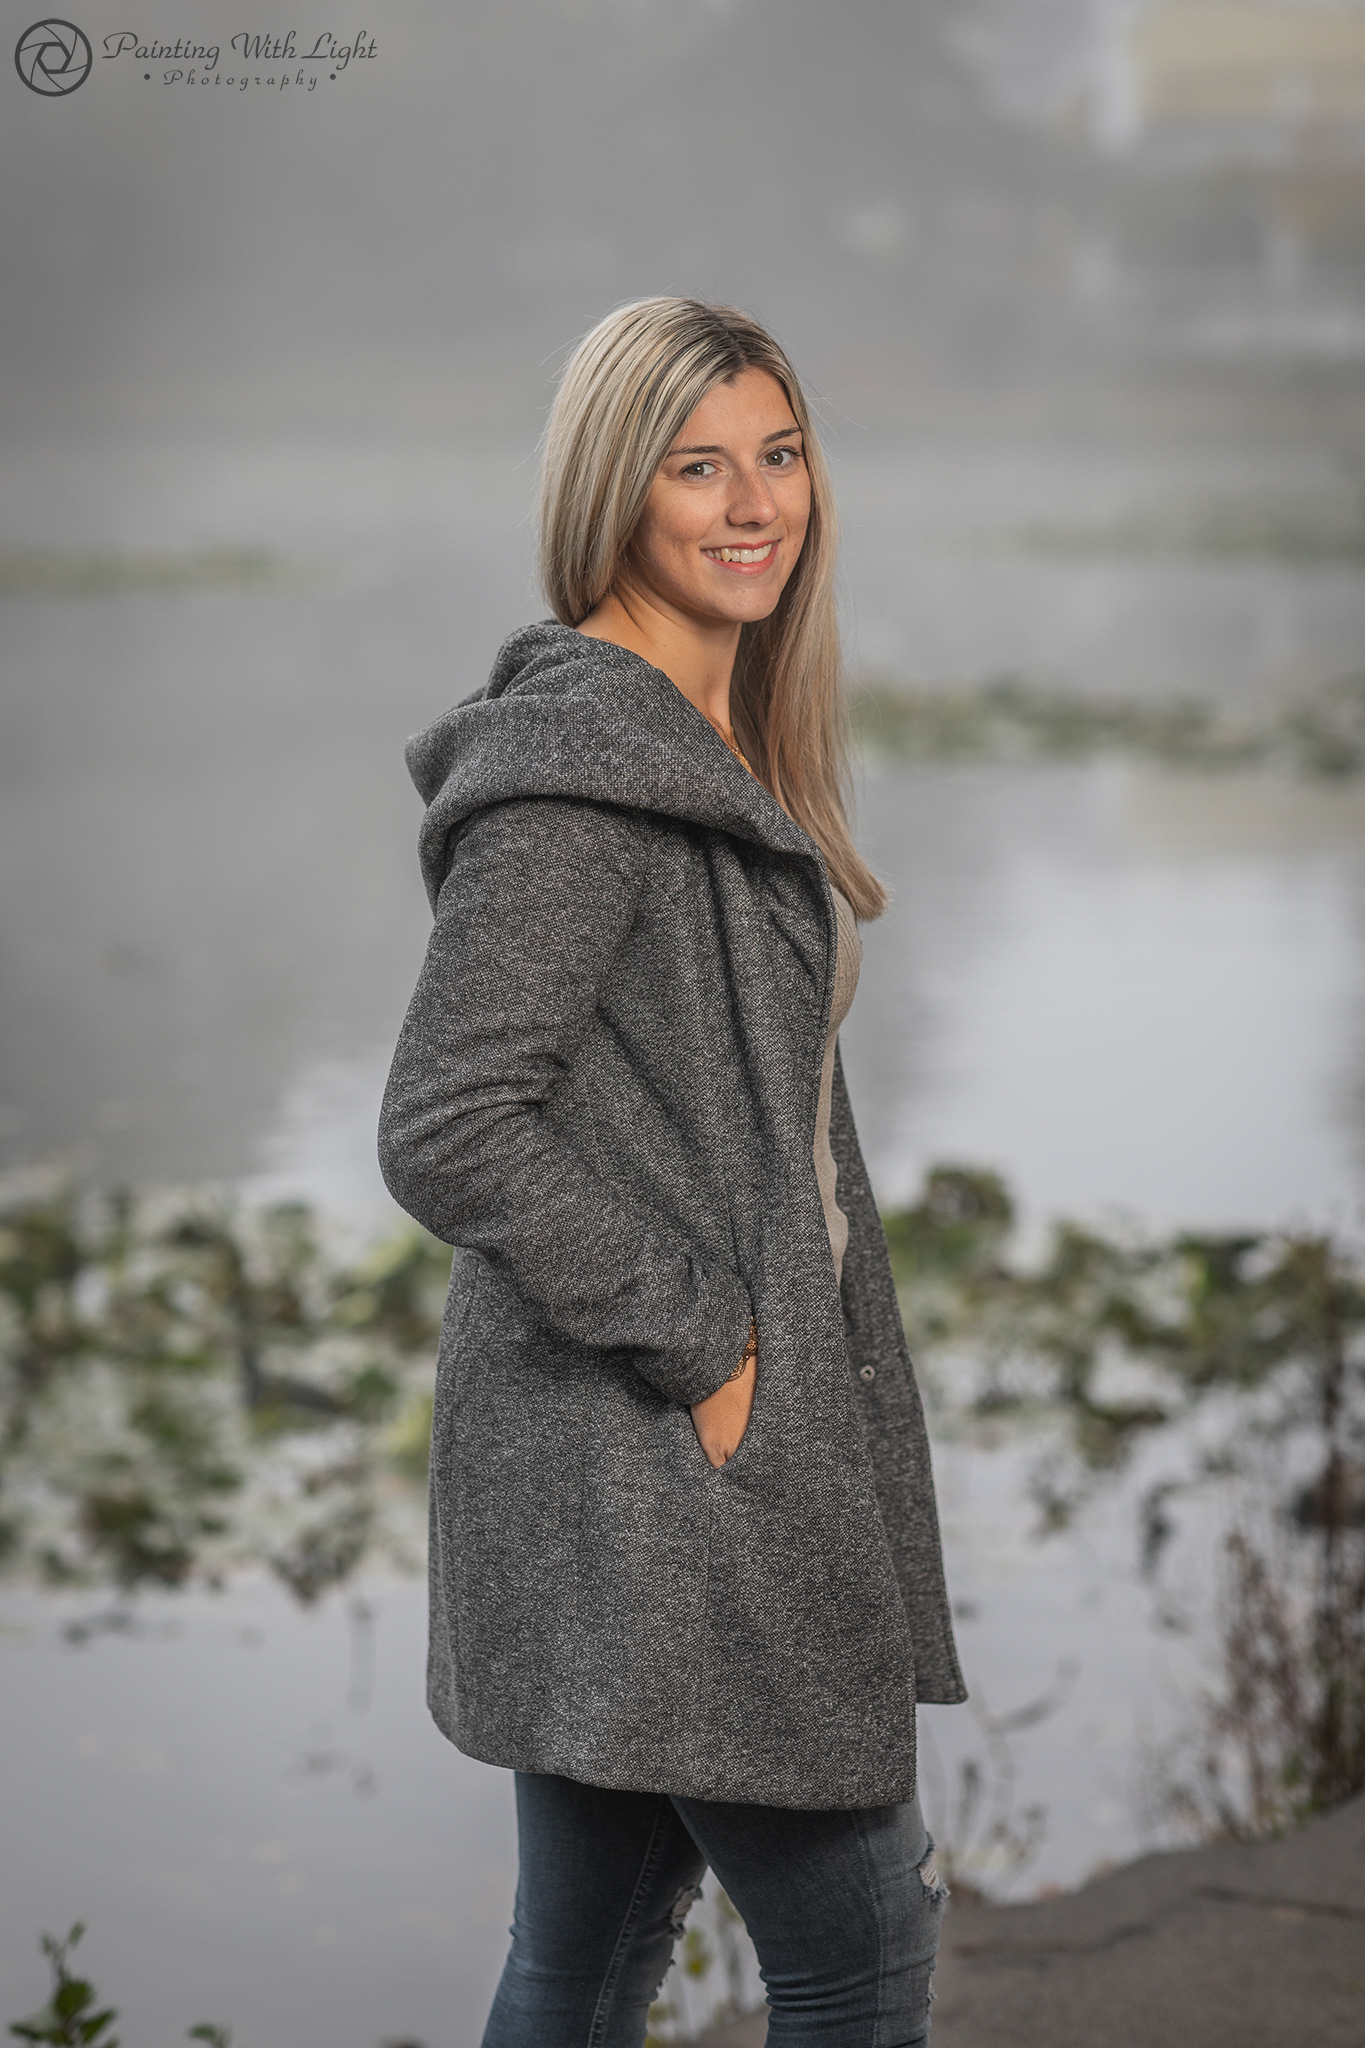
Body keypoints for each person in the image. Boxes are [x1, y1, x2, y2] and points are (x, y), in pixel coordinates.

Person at [378, 296, 966, 2048]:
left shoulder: (688, 747)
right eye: (696, 468)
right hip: (662, 1461)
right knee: (863, 1947)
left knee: (582, 1962)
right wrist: (708, 1350)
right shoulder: (581, 784)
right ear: (611, 491)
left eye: (777, 455)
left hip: (647, 1463)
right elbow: (447, 1119)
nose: (752, 503)